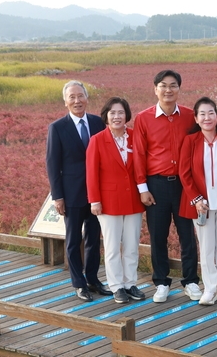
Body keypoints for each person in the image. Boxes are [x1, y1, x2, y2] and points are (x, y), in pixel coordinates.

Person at [133, 69, 201, 303]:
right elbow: (139, 155)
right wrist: (143, 188)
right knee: (158, 236)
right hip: (156, 185)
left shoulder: (191, 116)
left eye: (173, 85)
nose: (168, 90)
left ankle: (191, 281)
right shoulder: (143, 118)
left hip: (184, 186)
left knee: (187, 235)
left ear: (179, 89)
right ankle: (161, 282)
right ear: (155, 89)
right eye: (163, 85)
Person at [46, 80, 110, 302]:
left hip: (96, 194)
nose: (77, 100)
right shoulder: (57, 128)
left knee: (94, 238)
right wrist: (58, 196)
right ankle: (78, 283)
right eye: (72, 97)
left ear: (87, 98)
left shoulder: (97, 122)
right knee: (74, 240)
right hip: (71, 195)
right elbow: (52, 164)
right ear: (65, 101)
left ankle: (93, 279)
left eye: (80, 96)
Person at [179, 97, 217, 306]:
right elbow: (184, 174)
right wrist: (196, 199)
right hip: (202, 205)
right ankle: (210, 289)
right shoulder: (190, 141)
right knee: (206, 248)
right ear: (196, 118)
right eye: (202, 114)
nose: (207, 118)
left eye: (211, 113)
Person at [86, 97, 145, 304]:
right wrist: (94, 200)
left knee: (131, 246)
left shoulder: (135, 136)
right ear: (106, 116)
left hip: (133, 200)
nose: (117, 117)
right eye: (113, 113)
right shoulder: (98, 140)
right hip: (108, 201)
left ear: (127, 115)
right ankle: (116, 286)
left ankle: (130, 283)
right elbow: (91, 173)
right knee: (112, 247)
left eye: (121, 112)